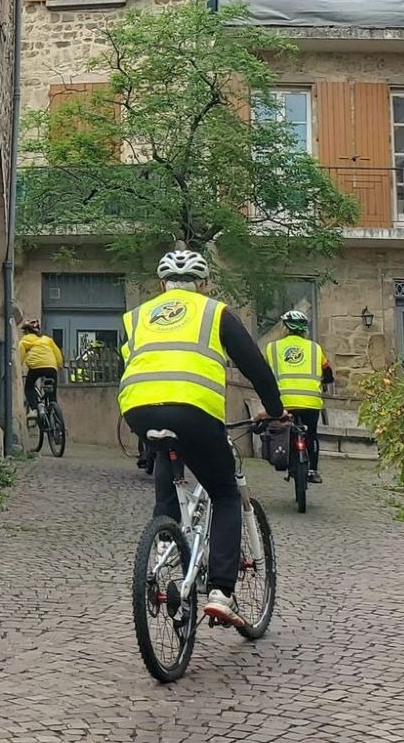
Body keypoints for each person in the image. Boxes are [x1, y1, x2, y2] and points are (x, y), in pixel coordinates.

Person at [119, 249, 288, 630]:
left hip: (138, 407)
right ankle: (221, 593)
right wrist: (275, 409)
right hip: (194, 409)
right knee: (224, 491)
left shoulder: (137, 317)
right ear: (204, 284)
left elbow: (131, 360)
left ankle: (164, 541)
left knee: (167, 454)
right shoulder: (215, 312)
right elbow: (254, 365)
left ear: (161, 285)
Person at [263, 309, 334, 483]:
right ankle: (313, 471)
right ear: (304, 330)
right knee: (311, 434)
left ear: (284, 328)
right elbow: (328, 374)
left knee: (283, 431)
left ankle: (284, 459)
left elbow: (264, 374)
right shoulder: (315, 349)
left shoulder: (272, 348)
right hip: (310, 401)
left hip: (284, 402)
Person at [17, 318, 64, 418]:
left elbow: (20, 356)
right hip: (51, 367)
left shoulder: (24, 340)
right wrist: (59, 365)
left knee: (29, 388)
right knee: (52, 396)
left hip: (36, 367)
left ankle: (34, 409)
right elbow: (58, 355)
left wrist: (19, 368)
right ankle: (56, 418)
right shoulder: (48, 340)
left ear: (26, 331)